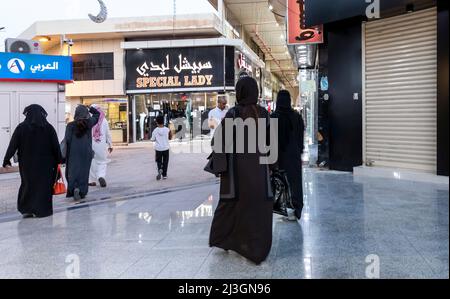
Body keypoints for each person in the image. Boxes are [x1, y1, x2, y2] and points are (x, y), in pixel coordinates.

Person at [209, 76, 274, 265]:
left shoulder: (233, 114)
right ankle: (256, 249)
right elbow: (272, 145)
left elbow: (219, 142)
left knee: (231, 207)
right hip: (260, 174)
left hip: (236, 175)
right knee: (257, 210)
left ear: (239, 92)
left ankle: (227, 241)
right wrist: (272, 168)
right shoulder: (264, 114)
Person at [2, 104, 62, 218]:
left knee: (28, 184)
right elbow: (56, 147)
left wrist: (6, 159)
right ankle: (42, 210)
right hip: (46, 165)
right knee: (44, 186)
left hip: (27, 164)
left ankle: (27, 208)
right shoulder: (49, 128)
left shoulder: (21, 128)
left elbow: (13, 145)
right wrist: (59, 159)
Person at [271, 90, 305, 220]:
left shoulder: (274, 117)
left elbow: (269, 140)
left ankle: (283, 209)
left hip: (278, 156)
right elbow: (301, 136)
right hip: (294, 155)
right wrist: (300, 151)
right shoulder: (297, 117)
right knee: (295, 183)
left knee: (280, 183)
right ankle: (296, 211)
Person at [64, 105, 100, 200]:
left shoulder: (70, 125)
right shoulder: (89, 123)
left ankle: (74, 187)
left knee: (73, 171)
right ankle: (81, 190)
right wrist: (90, 108)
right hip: (86, 152)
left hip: (73, 151)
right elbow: (97, 114)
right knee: (84, 172)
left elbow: (67, 140)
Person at [89, 106, 113, 188]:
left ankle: (92, 181)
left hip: (91, 145)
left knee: (92, 162)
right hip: (101, 145)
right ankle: (101, 176)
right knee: (102, 162)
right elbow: (108, 134)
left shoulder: (90, 120)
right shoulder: (104, 121)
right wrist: (110, 145)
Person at [151, 115, 172, 180]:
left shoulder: (155, 130)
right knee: (165, 161)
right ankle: (164, 175)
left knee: (159, 161)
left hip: (158, 149)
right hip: (166, 148)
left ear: (157, 122)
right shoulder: (167, 130)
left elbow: (152, 139)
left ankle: (160, 169)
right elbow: (170, 138)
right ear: (163, 121)